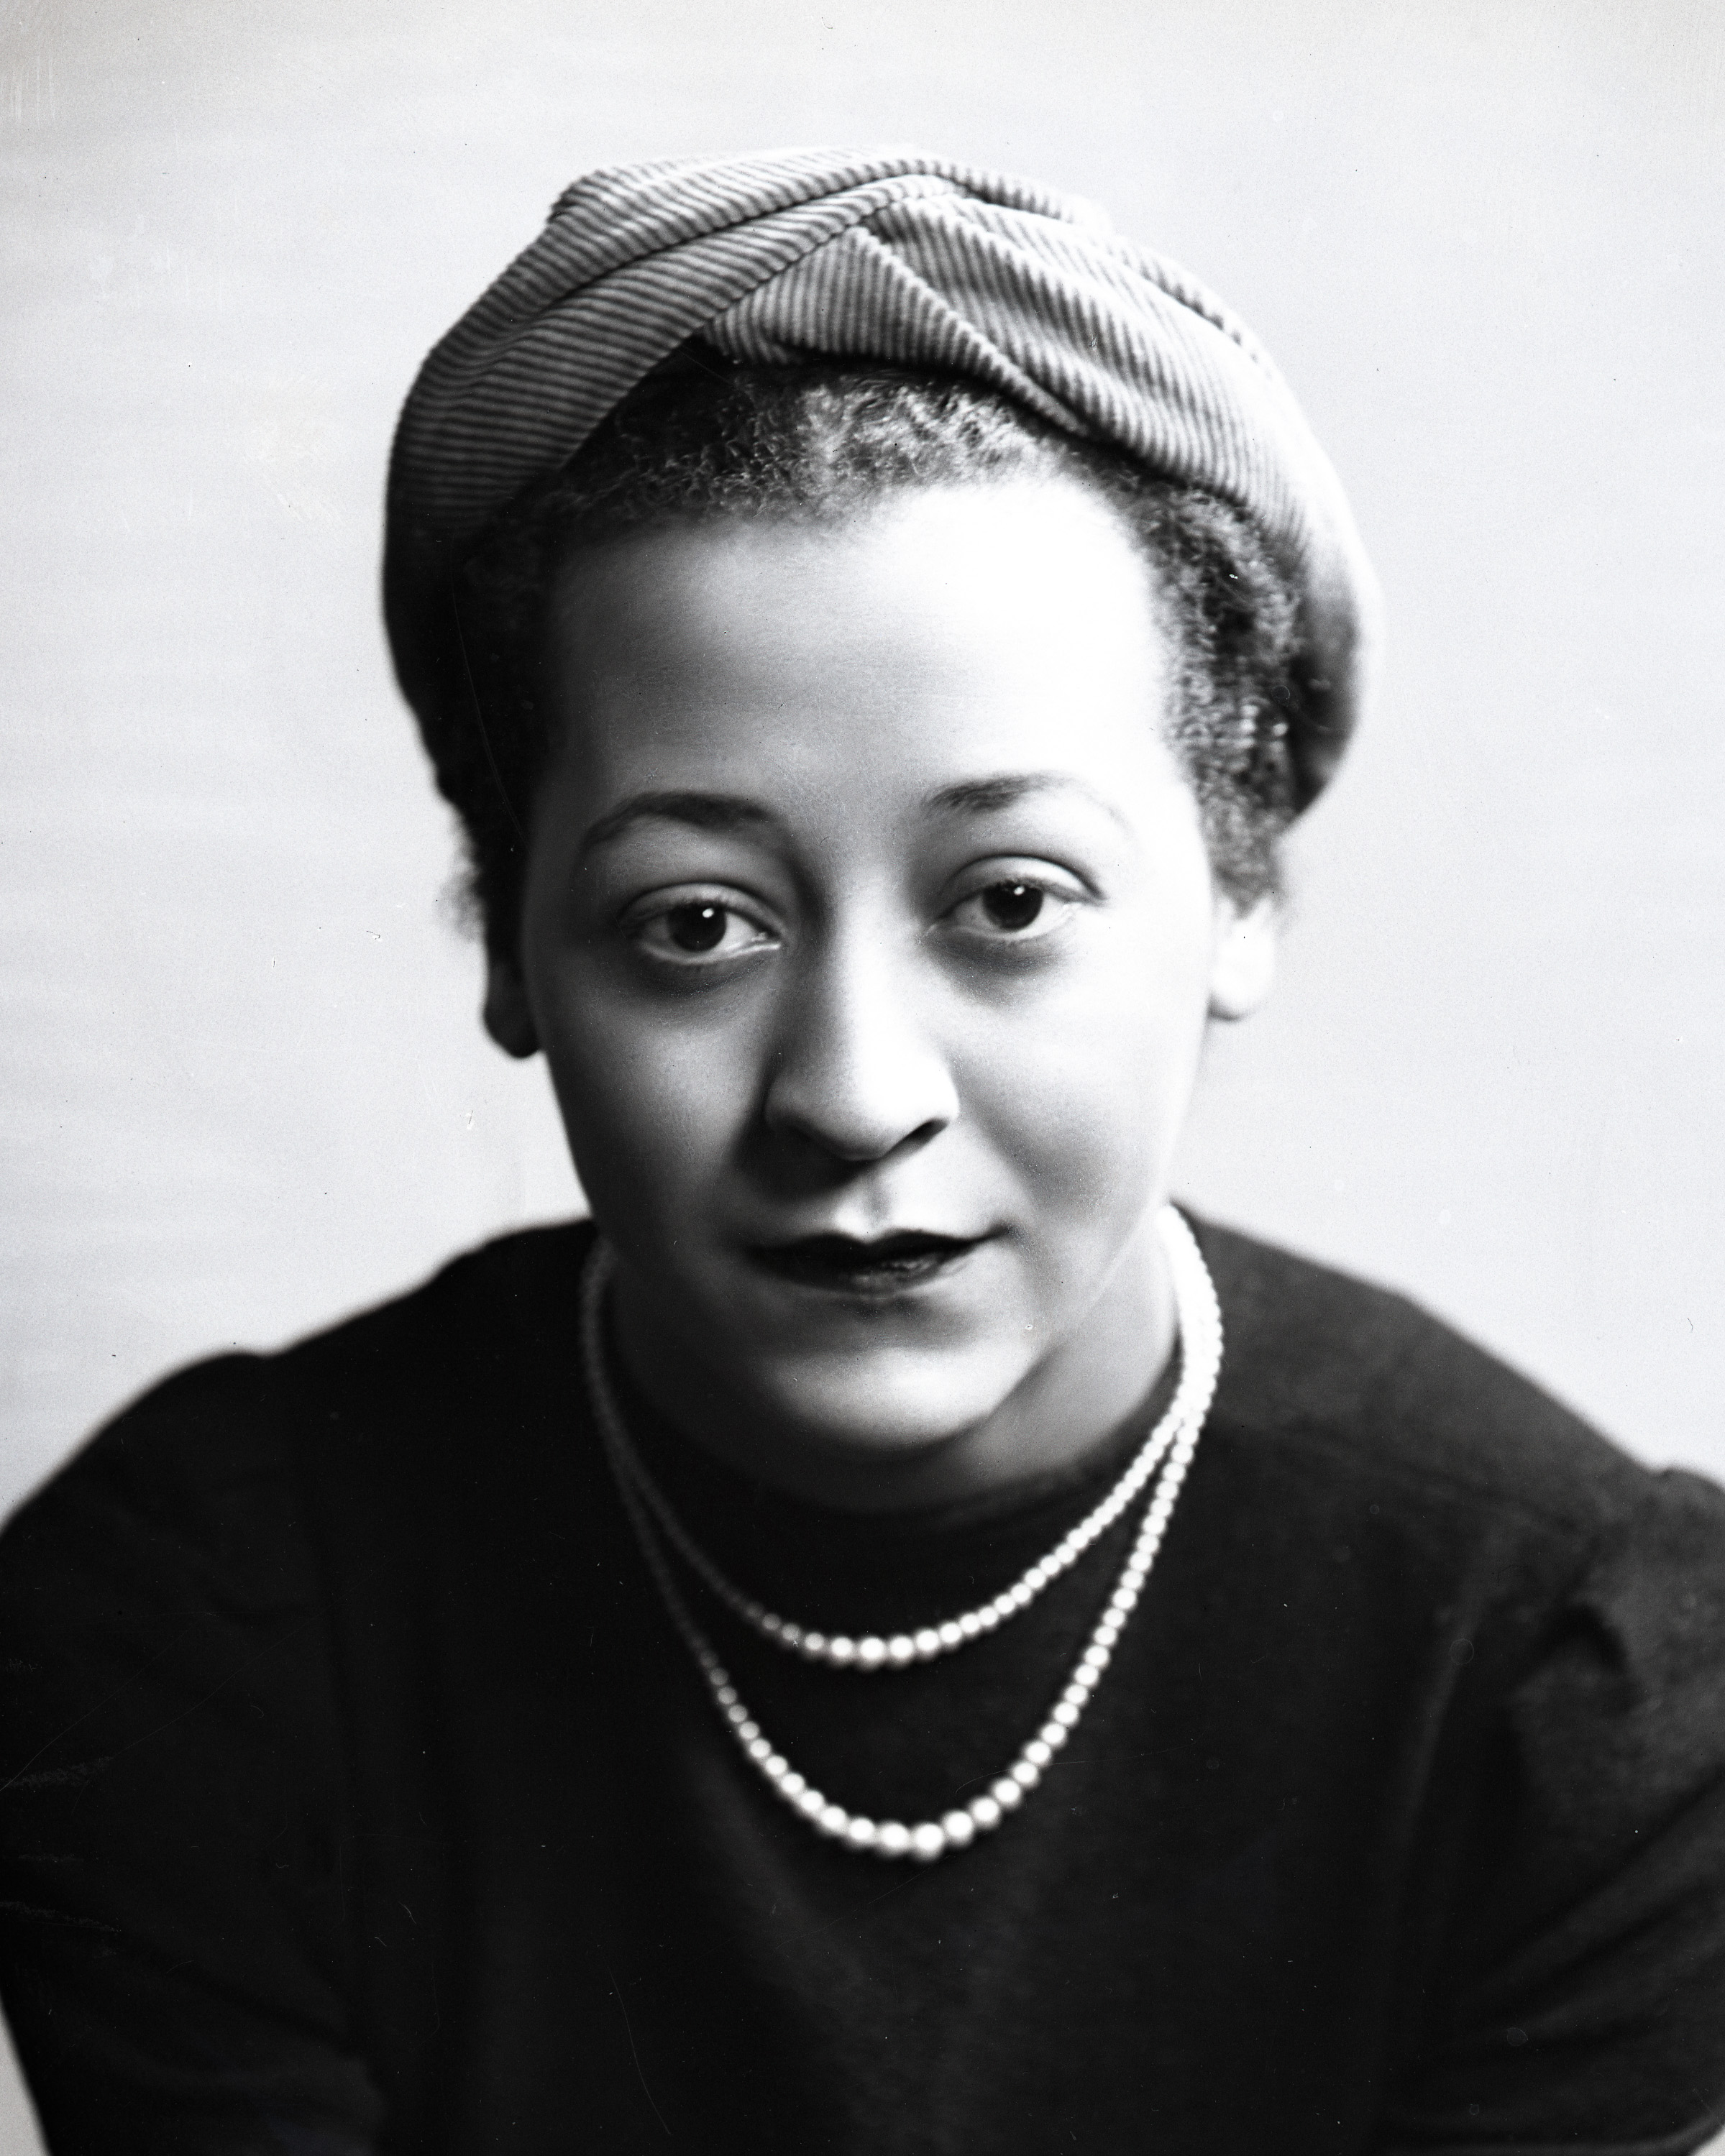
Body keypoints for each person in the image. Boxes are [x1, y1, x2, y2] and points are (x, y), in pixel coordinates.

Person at [1, 149, 1722, 2156]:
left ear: (1240, 896)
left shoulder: (1584, 1700)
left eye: (1007, 899)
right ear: (511, 937)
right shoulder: (194, 1623)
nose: (852, 1089)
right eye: (697, 922)